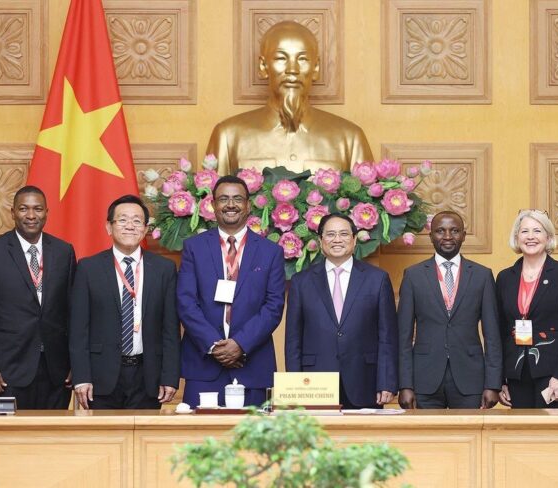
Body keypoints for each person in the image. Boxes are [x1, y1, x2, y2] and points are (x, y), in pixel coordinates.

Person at [206, 21, 373, 174]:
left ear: (315, 68)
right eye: (281, 58)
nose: (292, 69)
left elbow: (368, 204)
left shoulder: (350, 139)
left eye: (302, 59)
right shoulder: (228, 136)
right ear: (263, 66)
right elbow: (213, 202)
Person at [177, 175, 285, 407]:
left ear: (248, 205)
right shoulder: (194, 248)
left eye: (237, 199)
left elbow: (273, 306)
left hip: (252, 365)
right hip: (203, 366)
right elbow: (186, 302)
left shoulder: (271, 252)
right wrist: (215, 346)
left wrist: (240, 344)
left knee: (252, 441)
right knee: (199, 440)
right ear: (213, 205)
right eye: (223, 199)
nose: (230, 204)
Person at [0, 185, 76, 409]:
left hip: (56, 373)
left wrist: (76, 364)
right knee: (7, 442)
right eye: (23, 208)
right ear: (12, 212)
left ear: (47, 212)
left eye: (37, 209)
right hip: (6, 372)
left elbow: (72, 312)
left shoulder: (64, 251)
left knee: (51, 440)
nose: (30, 215)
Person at [69, 195, 180, 409]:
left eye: (137, 221)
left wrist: (169, 376)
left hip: (148, 376)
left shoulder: (164, 269)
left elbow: (170, 329)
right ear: (109, 227)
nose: (130, 226)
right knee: (105, 441)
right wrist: (82, 377)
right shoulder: (88, 269)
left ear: (145, 229)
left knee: (144, 441)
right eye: (122, 220)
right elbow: (78, 328)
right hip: (100, 376)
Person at [285, 214, 398, 409]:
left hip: (365, 381)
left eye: (344, 234)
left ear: (354, 240)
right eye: (330, 234)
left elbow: (387, 336)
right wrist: (294, 387)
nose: (337, 240)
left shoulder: (377, 279)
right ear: (321, 241)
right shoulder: (301, 282)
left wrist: (386, 381)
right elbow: (293, 340)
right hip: (314, 385)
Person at [398, 211, 502, 409]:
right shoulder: (413, 276)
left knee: (469, 438)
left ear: (463, 235)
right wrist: (405, 384)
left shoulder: (482, 275)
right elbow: (403, 336)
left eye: (454, 231)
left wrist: (493, 384)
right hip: (424, 379)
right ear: (430, 236)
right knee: (427, 440)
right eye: (440, 231)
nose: (447, 237)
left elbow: (492, 335)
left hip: (471, 378)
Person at [496, 210, 558, 408]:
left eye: (537, 230)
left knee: (551, 436)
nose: (531, 237)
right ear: (517, 238)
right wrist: (500, 380)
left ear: (548, 237)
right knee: (522, 436)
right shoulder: (505, 278)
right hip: (516, 373)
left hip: (553, 374)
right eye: (524, 231)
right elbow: (499, 331)